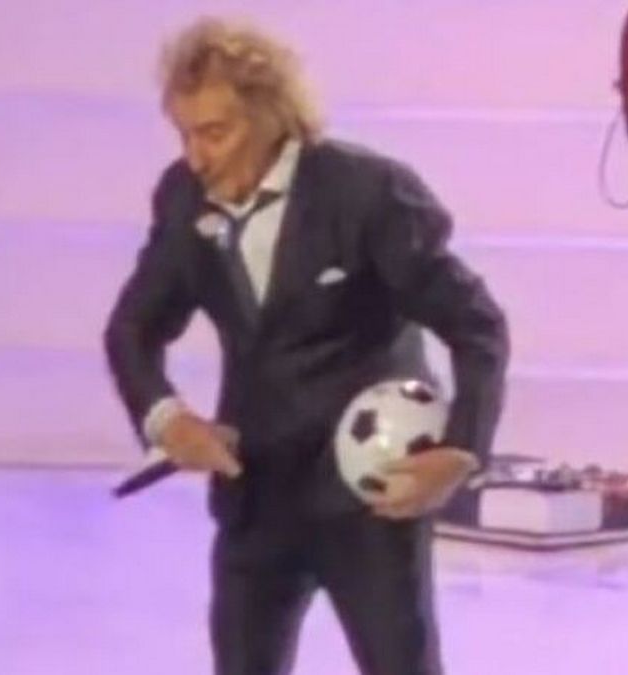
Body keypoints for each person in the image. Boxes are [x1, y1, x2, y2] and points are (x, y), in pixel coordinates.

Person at [103, 17, 509, 674]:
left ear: (270, 115)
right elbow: (131, 330)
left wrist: (461, 449)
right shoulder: (182, 199)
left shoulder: (369, 194)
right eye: (185, 134)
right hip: (255, 497)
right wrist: (167, 418)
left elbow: (477, 325)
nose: (197, 157)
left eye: (215, 133)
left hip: (368, 503)